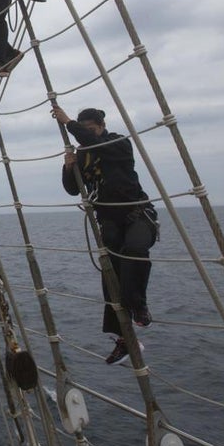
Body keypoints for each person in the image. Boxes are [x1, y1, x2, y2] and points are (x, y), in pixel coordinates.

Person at [51, 104, 158, 366]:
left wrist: (68, 123)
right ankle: (123, 337)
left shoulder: (117, 142)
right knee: (111, 274)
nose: (88, 134)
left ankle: (139, 306)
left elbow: (96, 144)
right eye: (84, 129)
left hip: (137, 214)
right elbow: (73, 190)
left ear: (101, 128)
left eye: (91, 129)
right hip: (109, 220)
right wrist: (68, 168)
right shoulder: (84, 153)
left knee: (135, 249)